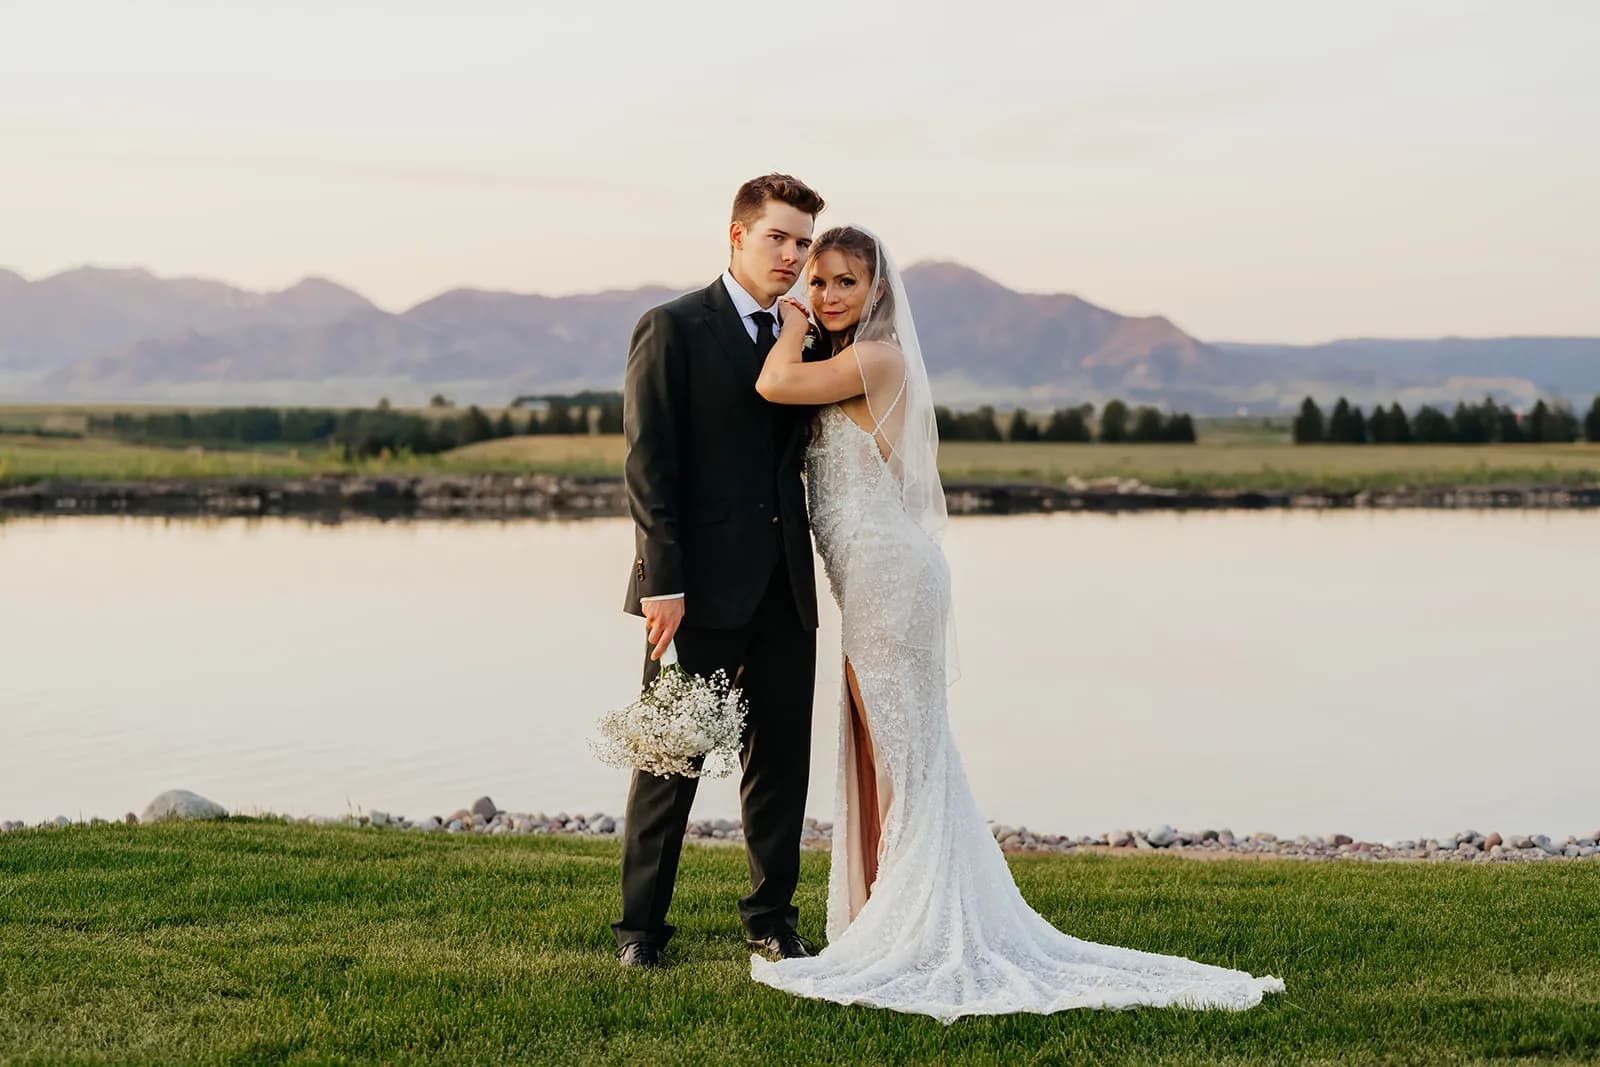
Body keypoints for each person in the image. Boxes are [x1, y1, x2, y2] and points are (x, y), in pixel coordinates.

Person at [747, 224, 1287, 1021]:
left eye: (842, 282)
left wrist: (788, 318)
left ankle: (916, 926)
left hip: (889, 576)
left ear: (876, 291)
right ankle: (875, 915)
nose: (826, 295)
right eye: (818, 282)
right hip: (864, 578)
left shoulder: (878, 358)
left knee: (903, 754)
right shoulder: (844, 361)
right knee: (874, 746)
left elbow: (771, 384)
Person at [611, 173, 827, 969]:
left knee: (781, 762)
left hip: (783, 584)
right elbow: (648, 464)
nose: (793, 255)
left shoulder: (806, 334)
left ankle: (771, 919)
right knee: (670, 760)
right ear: (737, 236)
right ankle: (640, 931)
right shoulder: (671, 327)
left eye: (803, 242)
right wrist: (661, 581)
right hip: (691, 589)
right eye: (779, 237)